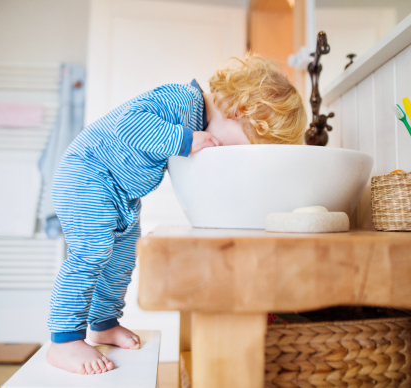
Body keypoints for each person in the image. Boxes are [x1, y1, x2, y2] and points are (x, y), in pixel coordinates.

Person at [46, 55, 307, 374]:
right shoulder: (182, 100)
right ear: (238, 111)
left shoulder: (199, 121)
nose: (223, 151)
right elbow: (129, 125)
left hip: (122, 193)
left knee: (122, 261)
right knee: (92, 252)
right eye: (232, 145)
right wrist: (185, 140)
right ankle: (64, 341)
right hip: (88, 175)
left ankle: (103, 323)